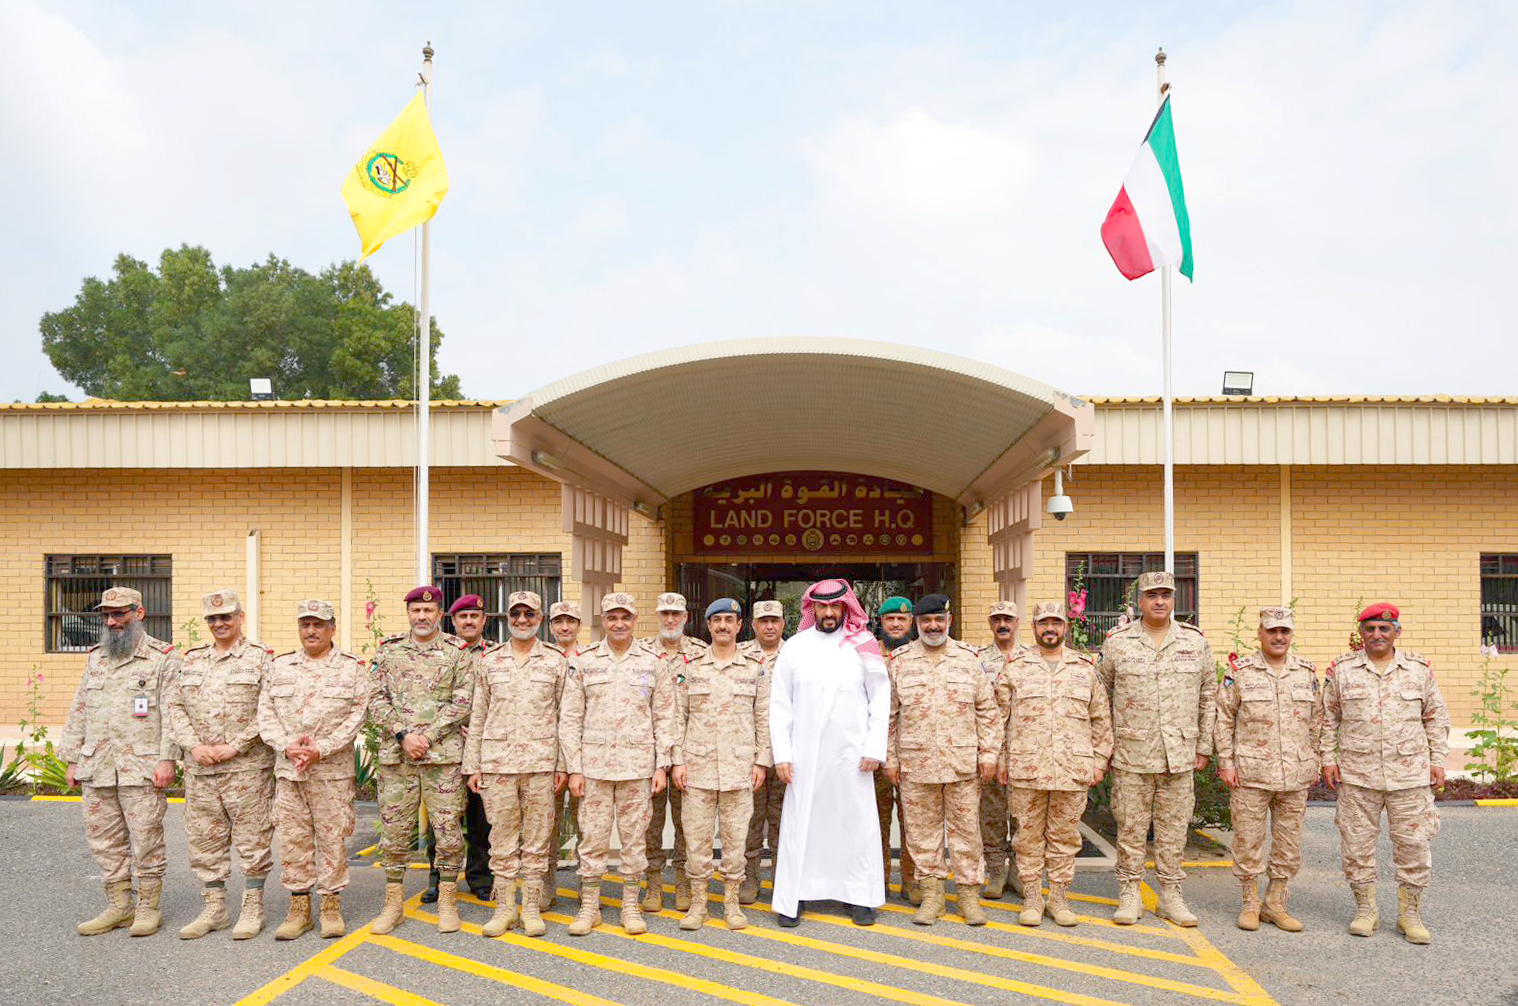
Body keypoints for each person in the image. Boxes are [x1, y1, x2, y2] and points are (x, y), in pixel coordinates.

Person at [1321, 602, 1450, 944]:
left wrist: (1438, 759)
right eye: (1370, 628)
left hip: (1409, 775)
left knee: (1414, 845)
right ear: (1360, 633)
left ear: (1397, 632)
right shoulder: (1343, 670)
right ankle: (1366, 910)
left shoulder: (1418, 669)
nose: (1377, 634)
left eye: (1384, 628)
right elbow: (1327, 717)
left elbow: (1435, 716)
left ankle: (1410, 915)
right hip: (1357, 774)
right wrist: (1327, 758)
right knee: (1357, 845)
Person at [769, 579, 891, 928]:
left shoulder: (863, 644)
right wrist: (782, 754)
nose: (827, 612)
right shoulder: (794, 646)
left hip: (852, 758)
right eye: (821, 607)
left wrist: (873, 748)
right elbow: (780, 704)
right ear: (812, 609)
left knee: (855, 825)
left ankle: (860, 898)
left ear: (845, 608)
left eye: (834, 606)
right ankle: (795, 896)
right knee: (802, 825)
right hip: (804, 757)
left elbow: (880, 700)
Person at [60, 587, 180, 937]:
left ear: (138, 613)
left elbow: (173, 713)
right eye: (107, 615)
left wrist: (167, 759)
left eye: (120, 614)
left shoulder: (163, 658)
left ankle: (147, 908)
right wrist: (71, 759)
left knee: (146, 839)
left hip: (141, 768)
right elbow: (80, 708)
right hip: (97, 764)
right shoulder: (96, 657)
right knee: (104, 840)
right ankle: (118, 905)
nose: (112, 621)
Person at [1097, 570, 1215, 926]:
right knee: (1130, 827)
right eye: (1152, 595)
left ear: (1174, 600)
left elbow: (1209, 695)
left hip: (1178, 754)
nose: (1159, 601)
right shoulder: (1118, 642)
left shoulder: (1195, 642)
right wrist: (1106, 746)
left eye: (1165, 595)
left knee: (1173, 829)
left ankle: (1170, 895)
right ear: (1140, 601)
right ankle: (1129, 893)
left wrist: (1204, 745)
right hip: (1133, 753)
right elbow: (1100, 696)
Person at [560, 592, 675, 936]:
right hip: (594, 769)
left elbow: (665, 715)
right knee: (592, 840)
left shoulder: (653, 661)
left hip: (638, 767)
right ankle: (590, 907)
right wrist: (575, 768)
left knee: (634, 840)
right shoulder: (585, 660)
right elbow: (570, 717)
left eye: (625, 617)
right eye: (612, 617)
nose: (619, 623)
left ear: (635, 620)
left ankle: (630, 905)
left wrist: (661, 765)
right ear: (603, 621)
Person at [885, 594, 1001, 927]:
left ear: (949, 621)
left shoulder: (968, 659)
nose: (933, 626)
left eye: (939, 620)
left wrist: (989, 754)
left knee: (966, 834)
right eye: (926, 621)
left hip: (962, 764)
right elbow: (889, 717)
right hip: (916, 764)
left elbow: (987, 711)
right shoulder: (900, 661)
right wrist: (890, 759)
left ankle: (968, 898)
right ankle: (933, 897)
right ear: (917, 624)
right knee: (922, 835)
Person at [165, 589, 275, 940]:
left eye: (226, 616)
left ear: (240, 618)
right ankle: (215, 908)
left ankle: (253, 906)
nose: (219, 623)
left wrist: (236, 745)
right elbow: (174, 707)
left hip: (247, 770)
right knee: (204, 840)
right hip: (201, 769)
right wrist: (193, 746)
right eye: (213, 618)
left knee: (252, 839)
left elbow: (270, 710)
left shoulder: (260, 659)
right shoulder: (192, 660)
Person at [367, 585, 477, 935]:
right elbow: (374, 698)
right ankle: (393, 903)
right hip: (398, 759)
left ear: (439, 614)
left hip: (441, 759)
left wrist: (427, 737)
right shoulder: (389, 651)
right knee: (395, 833)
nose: (422, 617)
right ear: (409, 614)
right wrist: (403, 735)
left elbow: (464, 700)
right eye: (416, 611)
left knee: (448, 833)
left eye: (428, 611)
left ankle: (447, 900)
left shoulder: (456, 652)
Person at [258, 599, 369, 939]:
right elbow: (265, 714)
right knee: (293, 840)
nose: (311, 631)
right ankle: (299, 907)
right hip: (290, 772)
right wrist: (286, 746)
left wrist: (323, 748)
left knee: (333, 838)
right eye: (305, 624)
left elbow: (358, 713)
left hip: (331, 773)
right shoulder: (280, 667)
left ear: (332, 628)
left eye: (318, 624)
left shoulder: (351, 668)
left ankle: (331, 905)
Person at [996, 602, 1112, 927]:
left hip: (1072, 770)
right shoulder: (1015, 667)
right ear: (1033, 627)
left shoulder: (1085, 669)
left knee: (1065, 838)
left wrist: (1100, 761)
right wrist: (1001, 759)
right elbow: (997, 719)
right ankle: (1033, 898)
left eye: (1056, 623)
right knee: (1028, 837)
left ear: (1065, 627)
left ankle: (1059, 899)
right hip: (1026, 769)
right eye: (1044, 623)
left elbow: (1101, 719)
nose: (1050, 629)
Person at [464, 591, 568, 938]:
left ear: (540, 620)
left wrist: (563, 765)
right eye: (516, 615)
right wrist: (473, 766)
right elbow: (478, 715)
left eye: (529, 615)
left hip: (541, 763)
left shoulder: (555, 661)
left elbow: (564, 717)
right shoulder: (490, 661)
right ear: (507, 619)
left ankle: (532, 908)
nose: (522, 620)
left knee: (538, 841)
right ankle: (505, 909)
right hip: (498, 765)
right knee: (502, 840)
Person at [1215, 607, 1322, 932]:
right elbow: (1223, 718)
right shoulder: (1241, 672)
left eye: (1284, 631)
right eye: (1271, 631)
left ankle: (1275, 902)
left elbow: (1318, 719)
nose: (1278, 637)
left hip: (1295, 773)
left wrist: (1314, 759)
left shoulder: (1306, 673)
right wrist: (1226, 763)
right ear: (1260, 634)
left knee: (1289, 844)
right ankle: (1249, 903)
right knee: (1248, 840)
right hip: (1250, 773)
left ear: (1291, 635)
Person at [673, 598, 772, 930]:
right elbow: (678, 717)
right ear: (708, 625)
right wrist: (677, 762)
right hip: (698, 769)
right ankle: (699, 904)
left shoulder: (754, 668)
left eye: (729, 620)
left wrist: (761, 761)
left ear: (739, 625)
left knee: (735, 840)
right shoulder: (691, 666)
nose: (723, 626)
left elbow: (763, 717)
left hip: (739, 768)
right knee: (697, 840)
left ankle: (731, 903)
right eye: (717, 621)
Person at [641, 592, 708, 913]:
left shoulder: (700, 654)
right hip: (648, 753)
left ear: (685, 618)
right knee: (650, 822)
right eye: (665, 614)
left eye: (676, 614)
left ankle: (683, 879)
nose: (670, 620)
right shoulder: (643, 652)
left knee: (687, 822)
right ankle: (653, 882)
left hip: (690, 753)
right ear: (658, 616)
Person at [437, 593, 494, 901]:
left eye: (475, 616)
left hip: (484, 749)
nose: (469, 621)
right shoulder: (440, 654)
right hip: (445, 746)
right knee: (443, 817)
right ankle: (438, 879)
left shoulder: (496, 655)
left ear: (483, 621)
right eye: (463, 617)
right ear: (454, 621)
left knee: (481, 819)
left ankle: (480, 877)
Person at [737, 599, 786, 904]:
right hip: (749, 753)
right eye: (763, 621)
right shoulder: (740, 654)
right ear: (753, 625)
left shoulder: (797, 653)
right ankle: (749, 878)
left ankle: (783, 881)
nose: (769, 626)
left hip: (786, 754)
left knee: (784, 819)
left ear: (783, 623)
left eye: (775, 620)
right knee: (750, 819)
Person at [977, 599, 1025, 900]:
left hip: (1025, 749)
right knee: (991, 813)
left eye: (1007, 618)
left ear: (1017, 622)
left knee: (1023, 814)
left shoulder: (1030, 659)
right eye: (997, 619)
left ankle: (1019, 872)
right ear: (991, 623)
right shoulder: (978, 659)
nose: (1002, 624)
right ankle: (995, 871)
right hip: (990, 748)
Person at [873, 596, 918, 903]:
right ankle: (877, 881)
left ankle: (911, 880)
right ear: (882, 622)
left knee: (914, 819)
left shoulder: (921, 653)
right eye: (890, 619)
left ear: (911, 622)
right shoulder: (866, 653)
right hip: (874, 749)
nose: (896, 624)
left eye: (902, 619)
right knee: (875, 819)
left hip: (913, 748)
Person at [543, 599, 585, 910]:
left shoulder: (590, 658)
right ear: (550, 625)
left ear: (579, 625)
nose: (564, 627)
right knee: (547, 826)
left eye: (570, 621)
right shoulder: (543, 658)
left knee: (587, 826)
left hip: (584, 757)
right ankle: (545, 886)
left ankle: (588, 886)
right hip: (546, 756)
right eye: (559, 622)